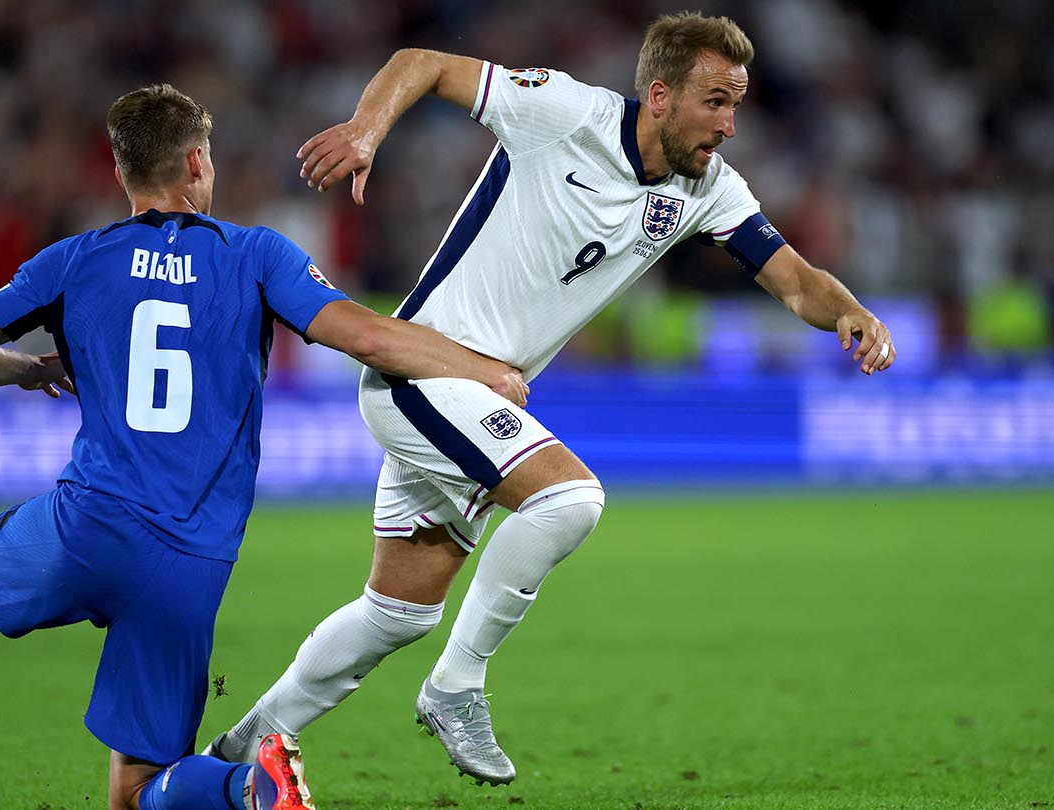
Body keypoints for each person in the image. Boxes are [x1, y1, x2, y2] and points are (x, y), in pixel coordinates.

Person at [207, 12, 896, 786]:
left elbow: (794, 277)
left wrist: (850, 312)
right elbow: (423, 60)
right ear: (661, 95)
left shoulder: (706, 188)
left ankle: (225, 761)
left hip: (468, 400)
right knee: (569, 500)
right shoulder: (564, 112)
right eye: (715, 101)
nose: (729, 124)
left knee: (397, 614)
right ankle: (455, 686)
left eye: (736, 104)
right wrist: (367, 131)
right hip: (422, 377)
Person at [0, 83, 526, 810]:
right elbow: (370, 338)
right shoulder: (255, 254)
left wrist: (27, 369)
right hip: (192, 559)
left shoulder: (72, 261)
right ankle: (250, 785)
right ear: (197, 162)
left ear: (124, 171)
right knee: (137, 793)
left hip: (89, 525)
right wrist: (482, 368)